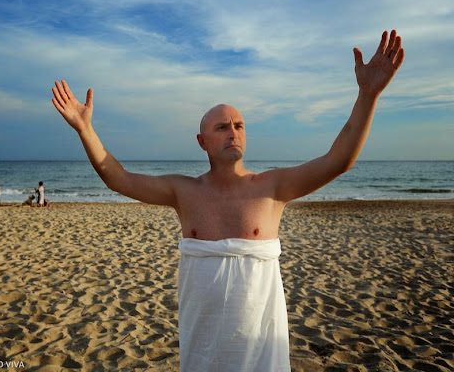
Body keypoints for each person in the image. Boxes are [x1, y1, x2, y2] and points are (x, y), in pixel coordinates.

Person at [51, 30, 404, 371]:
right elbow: (118, 178)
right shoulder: (183, 191)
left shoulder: (273, 187)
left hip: (261, 351)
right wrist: (86, 130)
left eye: (239, 125)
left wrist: (368, 96)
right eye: (222, 127)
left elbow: (339, 159)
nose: (233, 131)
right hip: (203, 349)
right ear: (202, 141)